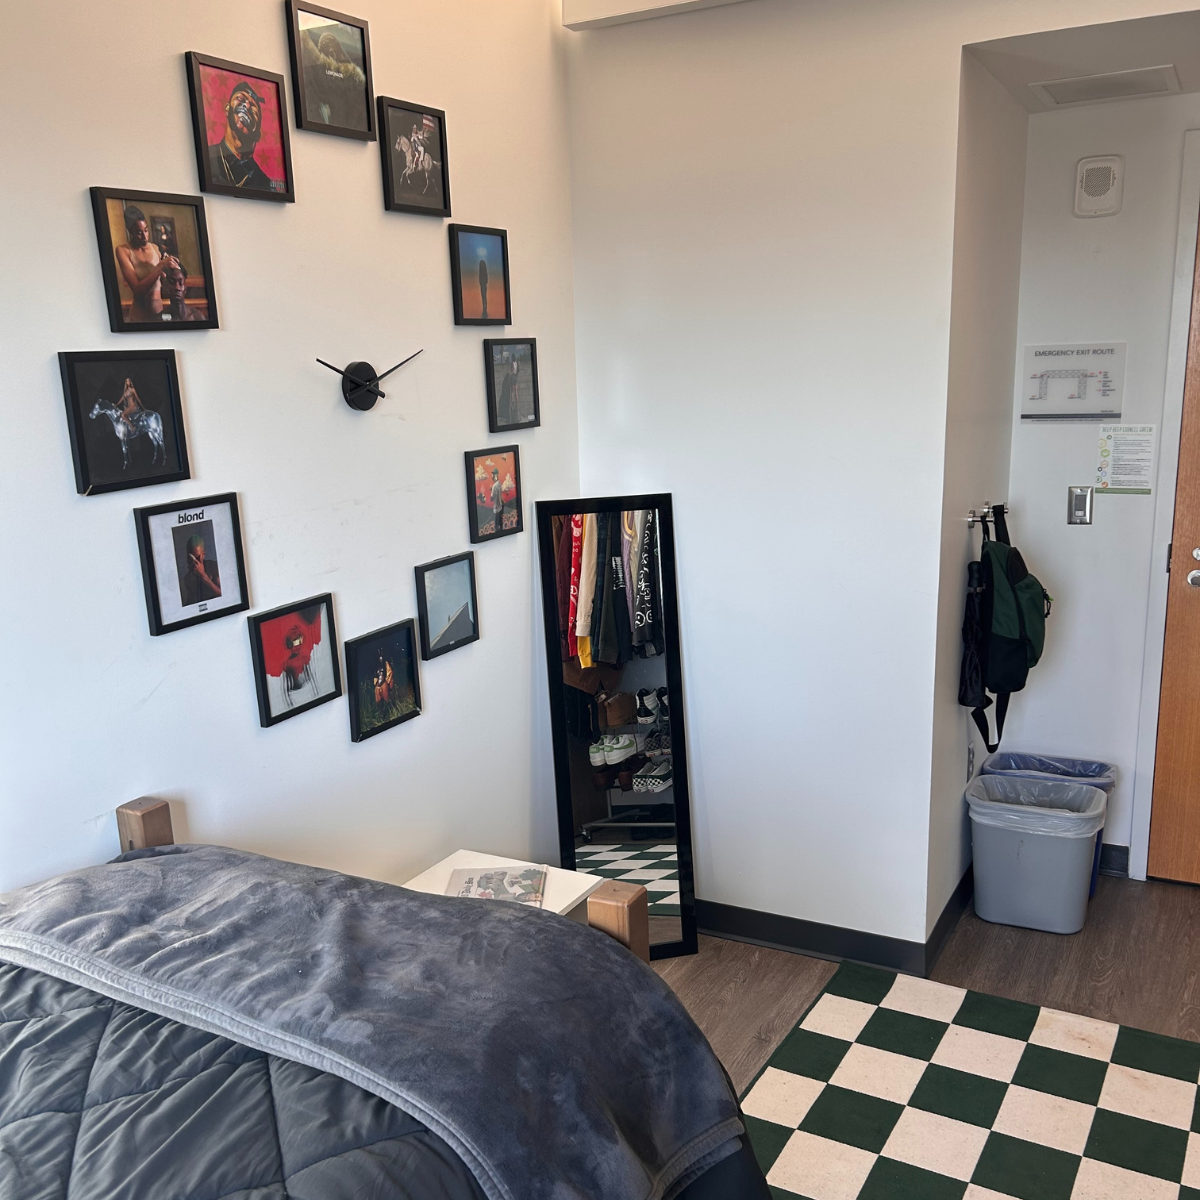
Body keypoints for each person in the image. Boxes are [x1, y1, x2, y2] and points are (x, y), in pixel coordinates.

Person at [208, 80, 276, 191]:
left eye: (253, 107)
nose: (247, 105)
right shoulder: (207, 158)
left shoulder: (265, 184)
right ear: (227, 109)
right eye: (240, 98)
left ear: (258, 134)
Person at [114, 205, 178, 323]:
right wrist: (160, 266)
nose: (144, 236)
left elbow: (165, 280)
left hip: (159, 314)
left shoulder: (155, 248)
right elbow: (138, 290)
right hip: (139, 316)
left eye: (146, 230)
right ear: (130, 232)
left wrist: (172, 269)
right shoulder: (123, 250)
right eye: (139, 232)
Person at [180, 533, 221, 605]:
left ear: (203, 555)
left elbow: (223, 594)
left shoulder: (214, 567)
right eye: (191, 558)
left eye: (197, 558)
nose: (194, 562)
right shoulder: (187, 579)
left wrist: (203, 575)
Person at [497, 358, 520, 426]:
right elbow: (517, 371)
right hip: (515, 377)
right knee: (515, 393)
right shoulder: (517, 363)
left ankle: (512, 406)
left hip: (513, 377)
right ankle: (516, 406)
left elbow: (512, 370)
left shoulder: (512, 364)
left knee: (512, 393)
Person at [491, 468, 505, 533]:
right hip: (501, 506)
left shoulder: (494, 486)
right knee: (501, 524)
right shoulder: (499, 484)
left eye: (493, 475)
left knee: (496, 527)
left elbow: (492, 498)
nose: (492, 476)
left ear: (495, 475)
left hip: (496, 507)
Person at [478, 254, 489, 320]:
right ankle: (485, 306)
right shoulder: (484, 272)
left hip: (482, 285)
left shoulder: (481, 272)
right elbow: (486, 279)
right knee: (484, 296)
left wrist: (481, 283)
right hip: (484, 284)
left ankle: (484, 306)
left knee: (483, 296)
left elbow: (480, 278)